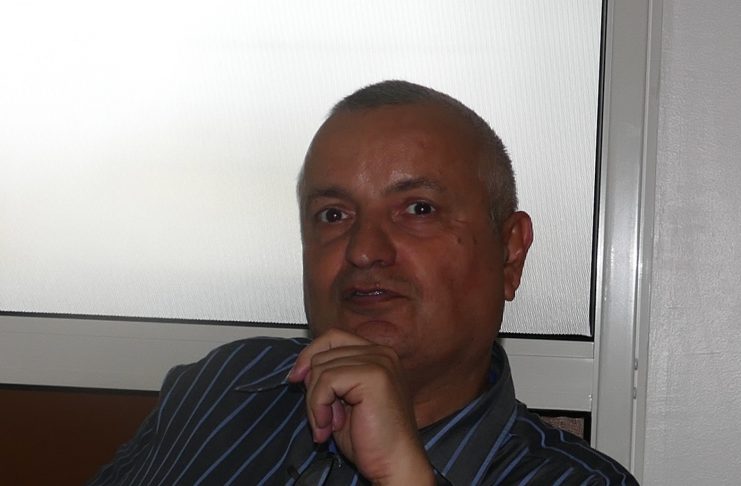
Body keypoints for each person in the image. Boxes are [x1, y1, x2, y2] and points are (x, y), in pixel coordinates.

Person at [90, 80, 637, 485]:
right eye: (333, 215)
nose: (364, 250)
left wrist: (404, 476)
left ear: (510, 253)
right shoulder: (221, 391)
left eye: (418, 209)